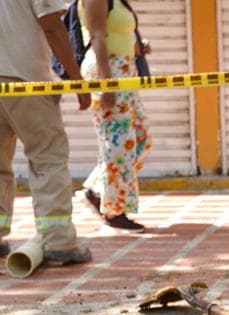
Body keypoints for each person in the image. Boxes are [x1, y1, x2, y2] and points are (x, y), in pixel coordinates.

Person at [0, 0, 94, 265]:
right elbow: (52, 26)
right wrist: (76, 80)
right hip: (24, 78)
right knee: (48, 157)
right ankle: (59, 240)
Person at [79, 0, 153, 231]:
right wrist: (106, 84)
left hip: (124, 69)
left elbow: (115, 35)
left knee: (141, 138)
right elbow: (97, 37)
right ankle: (113, 210)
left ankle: (96, 189)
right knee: (117, 142)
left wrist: (136, 48)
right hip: (108, 71)